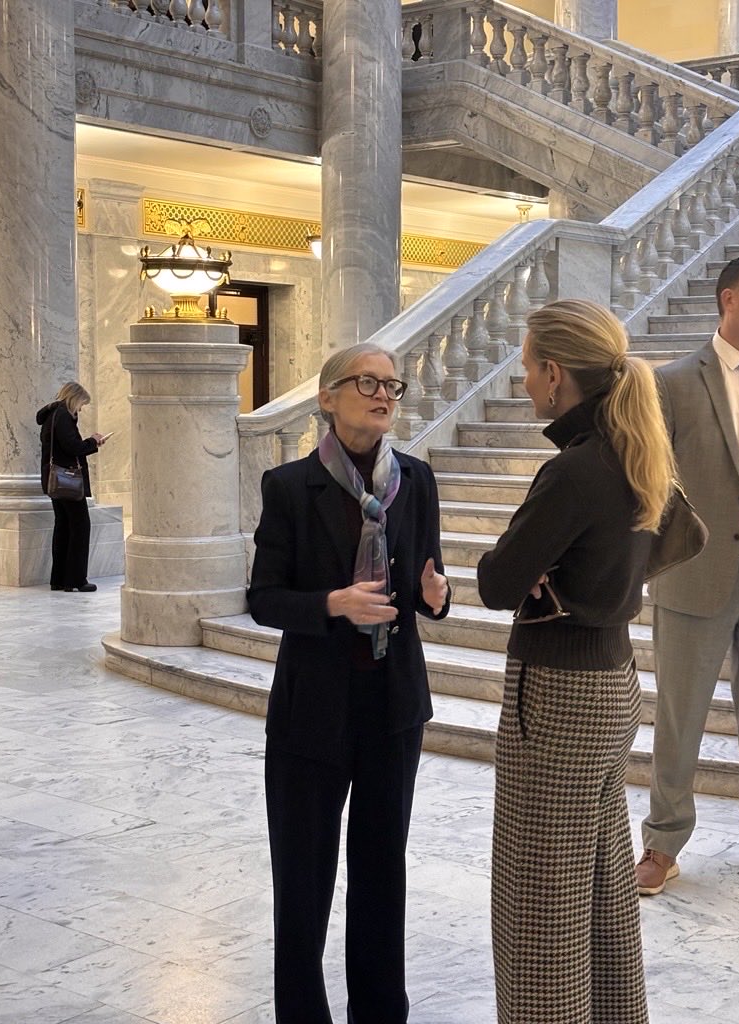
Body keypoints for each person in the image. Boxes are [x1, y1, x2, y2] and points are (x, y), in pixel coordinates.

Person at [477, 299, 675, 1024]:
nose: (525, 382)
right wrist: (576, 577)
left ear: (556, 374)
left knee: (539, 902)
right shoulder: (636, 449)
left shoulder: (574, 470)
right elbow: (671, 540)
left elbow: (498, 582)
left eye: (528, 368)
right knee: (598, 887)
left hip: (557, 693)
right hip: (614, 684)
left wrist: (531, 569)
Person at [247, 342, 450, 1024]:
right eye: (368, 382)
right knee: (302, 882)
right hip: (313, 711)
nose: (384, 394)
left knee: (380, 870)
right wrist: (333, 603)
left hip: (393, 708)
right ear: (327, 397)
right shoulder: (289, 486)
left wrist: (435, 594)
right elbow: (264, 598)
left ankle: (379, 1010)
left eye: (392, 384)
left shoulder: (415, 480)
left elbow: (426, 587)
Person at [637, 253, 739, 895]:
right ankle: (662, 843)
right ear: (728, 300)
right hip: (695, 572)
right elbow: (651, 480)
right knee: (680, 714)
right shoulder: (674, 381)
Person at [37, 382, 106, 593]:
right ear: (74, 398)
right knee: (80, 527)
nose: (81, 409)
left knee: (64, 527)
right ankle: (76, 580)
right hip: (67, 480)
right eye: (82, 404)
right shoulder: (64, 416)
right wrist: (93, 442)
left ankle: (59, 579)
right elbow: (72, 447)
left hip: (55, 480)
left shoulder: (51, 416)